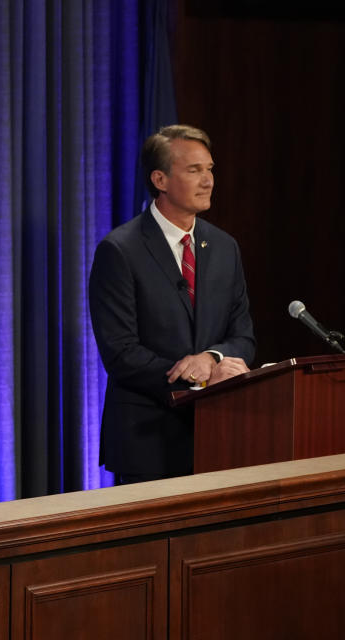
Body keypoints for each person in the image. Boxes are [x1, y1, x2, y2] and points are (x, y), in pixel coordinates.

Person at [88, 125, 255, 484]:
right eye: (194, 170)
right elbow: (120, 352)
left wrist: (212, 358)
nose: (208, 180)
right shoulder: (120, 250)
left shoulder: (224, 247)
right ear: (160, 179)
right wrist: (197, 376)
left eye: (210, 169)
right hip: (148, 442)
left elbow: (243, 336)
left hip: (222, 437)